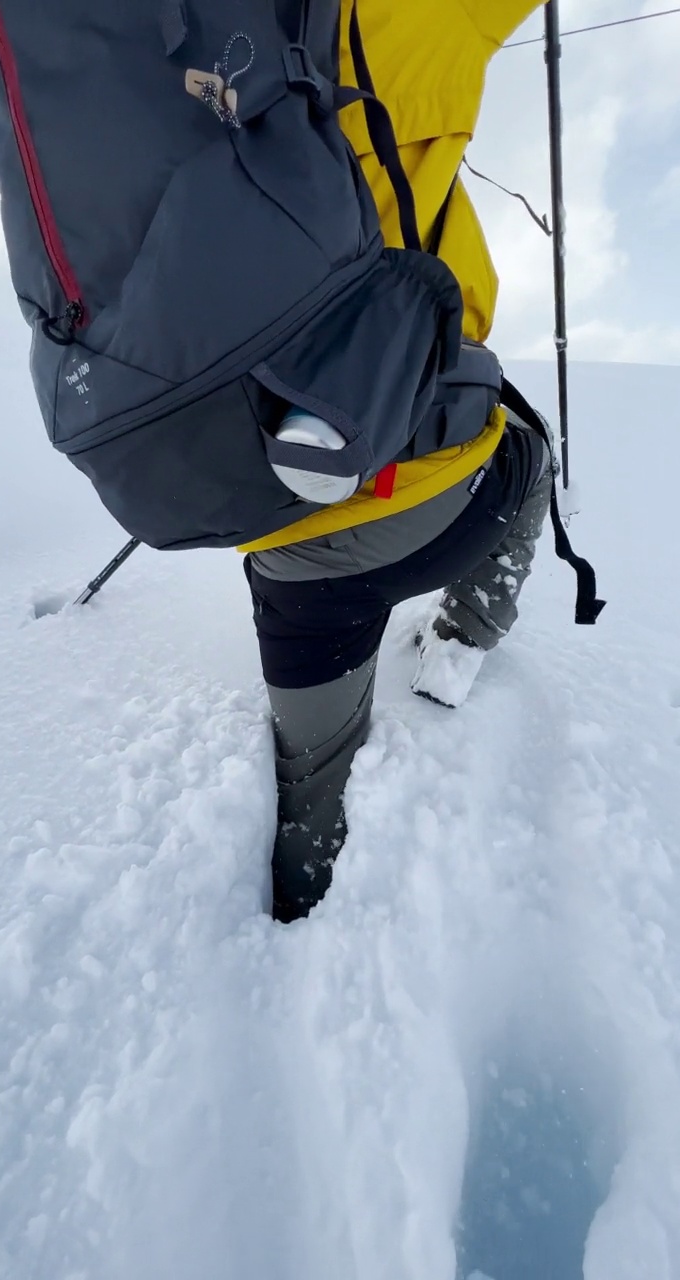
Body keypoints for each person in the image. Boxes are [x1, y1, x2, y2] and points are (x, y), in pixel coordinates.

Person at [240, 0, 552, 923]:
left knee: (311, 785)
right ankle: (461, 642)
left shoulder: (153, 58)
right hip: (439, 496)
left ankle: (301, 906)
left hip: (278, 534)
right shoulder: (389, 15)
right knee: (529, 456)